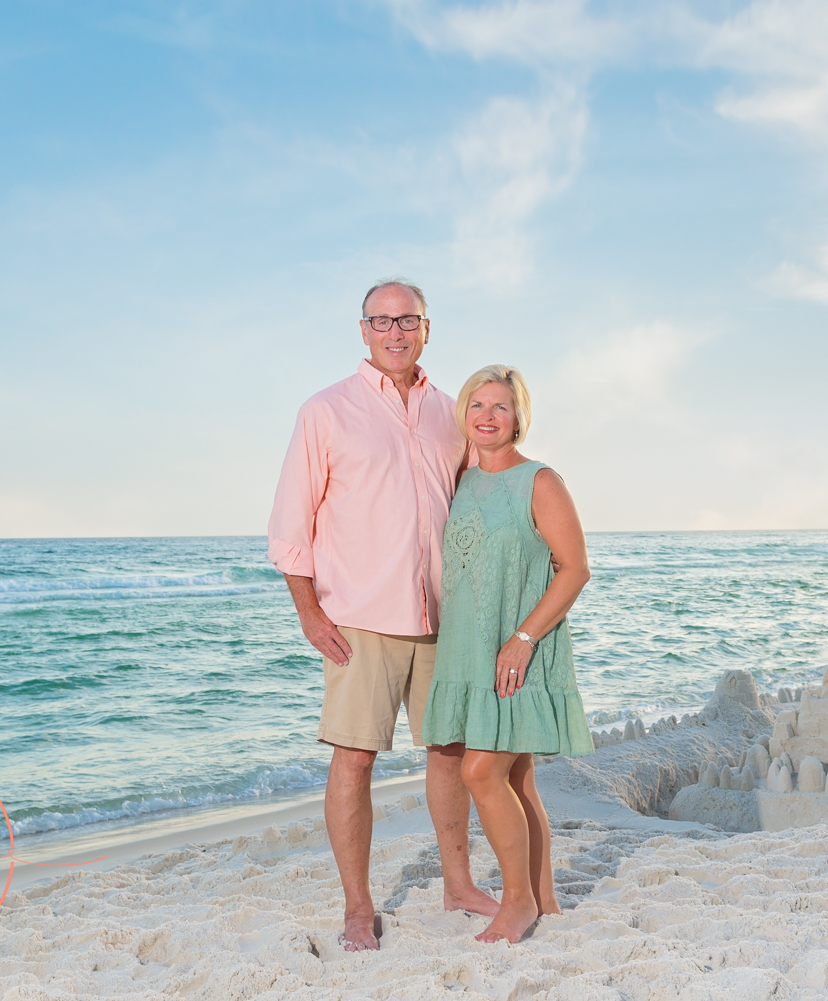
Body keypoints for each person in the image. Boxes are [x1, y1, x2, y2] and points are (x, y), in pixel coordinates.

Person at [267, 279, 499, 952]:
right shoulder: (325, 411)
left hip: (441, 617)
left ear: (428, 329)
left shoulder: (450, 413)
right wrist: (309, 612)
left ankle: (457, 884)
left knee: (450, 753)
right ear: (363, 330)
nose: (396, 331)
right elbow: (291, 522)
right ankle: (358, 906)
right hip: (359, 617)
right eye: (383, 320)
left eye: (408, 320)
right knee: (354, 760)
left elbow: (476, 512)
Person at [421, 364, 595, 944]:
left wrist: (522, 638)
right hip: (468, 652)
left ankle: (517, 902)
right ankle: (546, 900)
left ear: (518, 416)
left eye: (500, 406)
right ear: (463, 414)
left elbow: (574, 571)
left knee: (480, 771)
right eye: (477, 405)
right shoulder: (462, 479)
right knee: (517, 779)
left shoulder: (541, 480)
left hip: (520, 651)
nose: (487, 416)